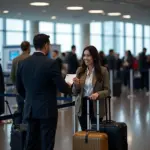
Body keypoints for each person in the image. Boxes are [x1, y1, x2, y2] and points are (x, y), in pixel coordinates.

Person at [16, 34, 71, 150]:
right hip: (47, 111)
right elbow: (62, 88)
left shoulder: (22, 63)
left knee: (30, 142)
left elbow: (19, 88)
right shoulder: (51, 63)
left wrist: (30, 98)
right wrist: (70, 85)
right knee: (47, 143)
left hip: (29, 110)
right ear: (46, 45)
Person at [72, 45, 110, 131]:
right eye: (84, 55)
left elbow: (108, 90)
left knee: (95, 132)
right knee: (84, 131)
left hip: (96, 105)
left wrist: (98, 94)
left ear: (94, 57)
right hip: (82, 104)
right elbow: (74, 92)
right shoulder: (80, 70)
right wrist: (76, 85)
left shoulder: (103, 71)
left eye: (88, 55)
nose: (85, 58)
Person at [10, 41, 30, 123]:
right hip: (30, 90)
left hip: (19, 91)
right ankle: (28, 129)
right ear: (28, 48)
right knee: (29, 110)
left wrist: (17, 85)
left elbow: (12, 76)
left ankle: (20, 130)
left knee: (20, 109)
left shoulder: (15, 60)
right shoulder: (31, 58)